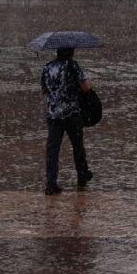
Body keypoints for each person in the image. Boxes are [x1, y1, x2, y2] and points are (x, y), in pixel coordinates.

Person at [40, 47, 94, 195]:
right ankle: (82, 175)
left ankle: (51, 184)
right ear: (71, 52)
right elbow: (85, 87)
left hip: (53, 115)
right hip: (72, 114)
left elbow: (44, 90)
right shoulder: (73, 65)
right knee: (77, 147)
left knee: (52, 151)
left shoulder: (47, 67)